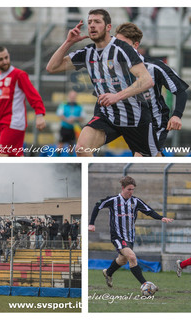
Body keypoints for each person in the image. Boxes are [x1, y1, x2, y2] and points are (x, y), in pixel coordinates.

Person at [46, 9, 158, 157]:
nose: (92, 25)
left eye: (97, 22)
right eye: (90, 22)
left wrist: (117, 96)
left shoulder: (122, 49)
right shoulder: (87, 52)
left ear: (108, 27)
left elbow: (146, 80)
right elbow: (51, 67)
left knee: (151, 160)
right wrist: (68, 42)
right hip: (107, 115)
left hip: (135, 117)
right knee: (81, 148)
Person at [114, 22, 189, 154]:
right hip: (133, 126)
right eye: (116, 44)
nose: (118, 49)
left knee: (142, 157)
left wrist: (177, 115)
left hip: (155, 124)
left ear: (135, 45)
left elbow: (181, 91)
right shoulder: (114, 69)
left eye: (123, 44)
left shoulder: (154, 67)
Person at [89, 176, 173, 290]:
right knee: (132, 257)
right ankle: (145, 285)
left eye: (133, 189)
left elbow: (149, 211)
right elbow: (98, 205)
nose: (131, 192)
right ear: (122, 188)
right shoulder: (113, 200)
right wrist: (92, 223)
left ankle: (108, 272)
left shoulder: (135, 201)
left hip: (130, 237)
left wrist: (161, 218)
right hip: (117, 236)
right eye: (129, 189)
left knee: (123, 260)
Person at [0, 46, 46, 157]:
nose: (5, 61)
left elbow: (33, 95)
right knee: (15, 156)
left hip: (14, 123)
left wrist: (39, 115)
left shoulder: (19, 75)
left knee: (0, 156)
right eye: (1, 59)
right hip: (3, 124)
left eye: (6, 57)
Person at [56, 90, 86, 156]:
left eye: (74, 97)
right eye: (71, 96)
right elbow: (59, 114)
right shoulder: (63, 104)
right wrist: (67, 120)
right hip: (64, 127)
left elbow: (83, 117)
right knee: (60, 144)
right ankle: (56, 158)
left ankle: (71, 161)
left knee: (71, 146)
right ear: (69, 96)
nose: (72, 98)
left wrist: (75, 118)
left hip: (73, 128)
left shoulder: (79, 106)